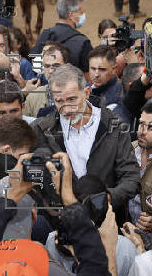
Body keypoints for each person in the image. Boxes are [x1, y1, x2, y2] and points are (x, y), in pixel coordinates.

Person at [32, 63, 140, 226]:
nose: (66, 108)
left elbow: (131, 178)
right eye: (59, 101)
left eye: (72, 99)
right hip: (59, 227)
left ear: (87, 93)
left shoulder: (114, 126)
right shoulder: (40, 129)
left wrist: (105, 199)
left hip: (107, 224)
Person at [30, 0, 93, 73]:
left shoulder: (45, 34)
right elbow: (89, 76)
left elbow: (32, 62)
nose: (83, 15)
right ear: (71, 16)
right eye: (81, 12)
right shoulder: (83, 43)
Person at [23, 43, 70, 117]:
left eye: (56, 66)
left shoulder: (80, 93)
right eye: (47, 66)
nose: (51, 71)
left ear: (67, 67)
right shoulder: (32, 98)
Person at [88, 45, 130, 123]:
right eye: (93, 69)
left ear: (114, 69)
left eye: (102, 69)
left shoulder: (115, 103)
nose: (96, 74)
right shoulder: (87, 89)